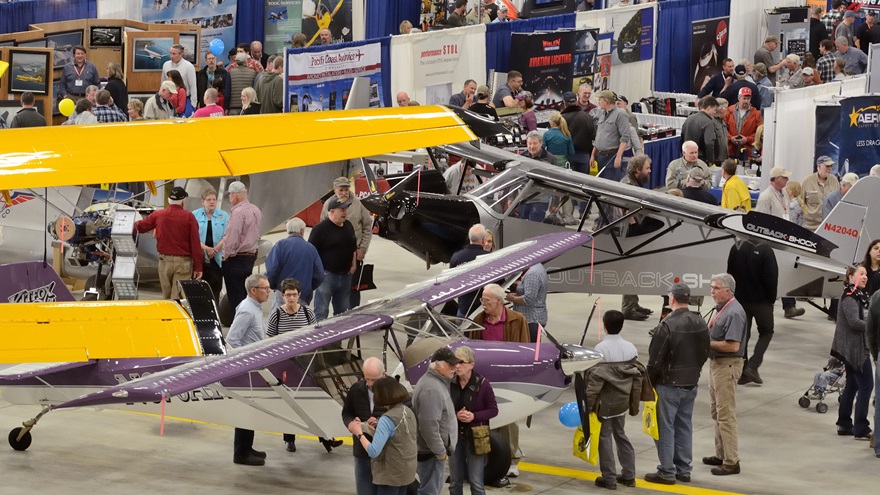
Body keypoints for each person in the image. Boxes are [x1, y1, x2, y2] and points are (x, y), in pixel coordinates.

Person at [644, 283, 710, 486]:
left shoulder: (667, 325)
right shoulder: (700, 321)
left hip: (668, 384)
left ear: (671, 299)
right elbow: (705, 351)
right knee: (684, 425)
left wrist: (647, 383)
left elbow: (655, 361)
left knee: (665, 428)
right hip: (691, 383)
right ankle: (683, 470)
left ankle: (666, 471)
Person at [470, 283, 529, 478]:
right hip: (483, 380)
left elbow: (526, 351)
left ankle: (512, 460)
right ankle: (486, 457)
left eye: (486, 300)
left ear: (499, 300)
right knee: (482, 419)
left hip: (508, 378)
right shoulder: (478, 320)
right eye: (482, 300)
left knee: (509, 420)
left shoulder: (517, 320)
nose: (483, 304)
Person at [588, 310, 642, 490]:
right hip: (623, 401)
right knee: (621, 434)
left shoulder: (600, 349)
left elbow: (595, 381)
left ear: (604, 325)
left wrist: (587, 405)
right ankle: (629, 474)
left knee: (604, 437)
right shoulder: (630, 347)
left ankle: (609, 478)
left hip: (606, 403)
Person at [266, 278, 319, 453]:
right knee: (289, 403)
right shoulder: (277, 314)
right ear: (282, 296)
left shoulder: (307, 313)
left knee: (312, 400)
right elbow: (270, 341)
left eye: (294, 295)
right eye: (288, 295)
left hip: (305, 364)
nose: (291, 298)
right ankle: (289, 439)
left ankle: (324, 437)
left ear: (299, 295)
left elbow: (314, 337)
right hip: (285, 365)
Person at [703, 273, 746, 476]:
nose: (712, 291)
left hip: (727, 366)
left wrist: (704, 343)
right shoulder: (724, 309)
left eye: (716, 288)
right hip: (716, 364)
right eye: (712, 287)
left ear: (728, 290)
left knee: (726, 414)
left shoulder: (734, 313)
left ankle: (732, 461)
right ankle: (721, 454)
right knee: (716, 412)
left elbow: (733, 345)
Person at [226, 273, 271, 466]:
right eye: (265, 289)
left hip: (254, 367)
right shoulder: (247, 310)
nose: (269, 292)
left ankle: (247, 447)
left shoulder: (254, 307)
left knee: (252, 409)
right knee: (246, 409)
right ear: (254, 290)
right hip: (247, 369)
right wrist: (244, 362)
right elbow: (232, 340)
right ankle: (241, 453)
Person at [348, 376, 417, 495]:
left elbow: (373, 451)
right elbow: (397, 437)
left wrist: (359, 434)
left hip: (390, 475)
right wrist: (372, 428)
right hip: (406, 472)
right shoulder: (407, 411)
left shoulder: (386, 419)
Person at [133, 186, 202, 299]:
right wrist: (198, 267)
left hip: (164, 262)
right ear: (183, 201)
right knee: (177, 299)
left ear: (169, 200)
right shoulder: (189, 217)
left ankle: (167, 316)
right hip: (183, 264)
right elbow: (195, 244)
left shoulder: (158, 215)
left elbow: (139, 227)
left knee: (167, 297)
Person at [754, 166, 804, 319]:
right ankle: (766, 306)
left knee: (785, 270)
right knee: (769, 274)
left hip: (783, 239)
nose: (787, 179)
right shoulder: (765, 197)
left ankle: (789, 306)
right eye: (784, 177)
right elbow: (760, 222)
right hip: (770, 242)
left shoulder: (784, 194)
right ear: (776, 179)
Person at [727, 240, 777, 386]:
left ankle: (744, 371)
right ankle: (753, 366)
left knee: (743, 335)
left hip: (740, 300)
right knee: (767, 332)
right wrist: (771, 299)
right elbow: (771, 278)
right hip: (762, 302)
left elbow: (729, 275)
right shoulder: (766, 249)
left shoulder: (735, 247)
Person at [448, 346, 498, 495]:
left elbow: (493, 410)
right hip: (455, 436)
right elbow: (443, 408)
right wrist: (456, 414)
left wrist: (474, 416)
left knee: (476, 482)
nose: (457, 366)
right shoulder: (450, 383)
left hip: (476, 437)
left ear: (471, 365)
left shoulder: (483, 384)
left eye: (461, 362)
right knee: (455, 481)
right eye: (455, 362)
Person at [831, 265, 873, 439]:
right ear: (850, 276)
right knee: (866, 385)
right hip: (854, 350)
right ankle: (861, 427)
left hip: (851, 348)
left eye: (865, 274)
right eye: (860, 274)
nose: (864, 277)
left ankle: (844, 424)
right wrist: (874, 325)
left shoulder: (859, 296)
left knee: (852, 385)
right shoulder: (849, 297)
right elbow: (855, 322)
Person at [412, 347, 460, 495]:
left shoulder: (436, 382)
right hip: (431, 454)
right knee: (429, 492)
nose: (455, 368)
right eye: (450, 364)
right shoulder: (432, 389)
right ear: (437, 365)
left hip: (431, 452)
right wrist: (439, 451)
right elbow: (428, 425)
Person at [320, 176, 373, 309]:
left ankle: (353, 317)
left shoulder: (359, 204)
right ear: (334, 190)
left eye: (346, 189)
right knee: (330, 291)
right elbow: (322, 229)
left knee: (353, 291)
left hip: (354, 256)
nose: (344, 192)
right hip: (332, 258)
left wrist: (362, 249)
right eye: (341, 190)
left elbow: (367, 227)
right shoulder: (328, 205)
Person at [342, 357, 388, 495]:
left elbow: (404, 415)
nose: (370, 383)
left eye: (374, 379)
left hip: (385, 454)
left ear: (383, 374)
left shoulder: (395, 390)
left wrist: (381, 423)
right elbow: (347, 412)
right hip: (362, 452)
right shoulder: (356, 389)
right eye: (367, 378)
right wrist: (350, 423)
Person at [310, 196, 358, 320]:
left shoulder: (348, 226)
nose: (345, 212)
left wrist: (353, 264)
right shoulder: (319, 229)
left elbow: (353, 247)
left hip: (346, 276)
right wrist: (318, 272)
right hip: (327, 277)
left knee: (341, 313)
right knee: (321, 311)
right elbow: (311, 253)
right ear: (331, 211)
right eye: (341, 210)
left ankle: (338, 339)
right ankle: (321, 338)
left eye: (345, 209)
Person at [221, 181, 264, 314]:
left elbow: (232, 237)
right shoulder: (256, 210)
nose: (229, 198)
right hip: (249, 258)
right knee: (247, 295)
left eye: (230, 196)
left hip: (236, 259)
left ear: (235, 196)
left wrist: (226, 254)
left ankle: (240, 325)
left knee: (236, 297)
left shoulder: (238, 213)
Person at [266, 218, 324, 310]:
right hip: (302, 294)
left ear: (288, 230)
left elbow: (272, 270)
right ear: (302, 231)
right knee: (301, 322)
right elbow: (320, 274)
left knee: (279, 321)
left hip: (283, 293)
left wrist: (274, 286)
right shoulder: (311, 248)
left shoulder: (280, 245)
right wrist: (308, 287)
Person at [192, 188, 229, 306]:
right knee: (200, 287)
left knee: (216, 288)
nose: (212, 202)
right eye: (209, 200)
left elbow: (227, 235)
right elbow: (192, 237)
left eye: (214, 199)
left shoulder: (223, 215)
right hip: (201, 257)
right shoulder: (195, 215)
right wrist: (206, 249)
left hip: (217, 258)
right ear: (203, 202)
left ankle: (215, 313)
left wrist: (215, 249)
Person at [450, 224, 490, 317]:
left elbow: (451, 281)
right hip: (483, 310)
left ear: (469, 238)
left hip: (463, 309)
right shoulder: (489, 258)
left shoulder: (457, 257)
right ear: (483, 239)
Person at [591, 90, 631, 182]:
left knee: (609, 185)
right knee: (600, 184)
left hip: (612, 156)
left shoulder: (620, 114)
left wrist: (618, 157)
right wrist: (593, 154)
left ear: (606, 101)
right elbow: (599, 136)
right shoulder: (601, 113)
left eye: (600, 99)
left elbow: (625, 137)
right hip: (600, 155)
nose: (599, 101)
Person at [505, 263, 548, 342]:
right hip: (533, 319)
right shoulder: (537, 267)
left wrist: (512, 298)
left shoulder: (532, 274)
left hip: (531, 321)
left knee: (529, 350)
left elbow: (528, 299)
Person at [560, 91, 595, 175]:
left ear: (564, 103)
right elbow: (594, 135)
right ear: (576, 101)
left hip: (566, 156)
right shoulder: (586, 116)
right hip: (584, 155)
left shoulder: (561, 119)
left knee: (568, 182)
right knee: (583, 182)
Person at [724, 87, 762, 162]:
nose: (746, 101)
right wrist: (730, 138)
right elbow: (723, 128)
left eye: (748, 98)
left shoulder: (756, 114)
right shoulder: (729, 111)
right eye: (744, 98)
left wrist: (747, 139)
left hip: (747, 153)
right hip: (730, 151)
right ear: (739, 98)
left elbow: (759, 133)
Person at [681, 96, 720, 166]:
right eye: (714, 110)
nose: (715, 112)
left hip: (687, 157)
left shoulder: (689, 118)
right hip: (701, 159)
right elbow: (709, 143)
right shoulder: (708, 122)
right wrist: (711, 160)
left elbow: (682, 137)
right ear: (708, 108)